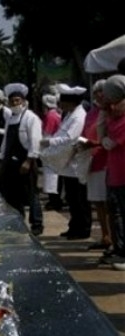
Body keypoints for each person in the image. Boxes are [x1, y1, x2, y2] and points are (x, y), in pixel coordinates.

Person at [40, 84, 92, 240]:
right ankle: (74, 226)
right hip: (67, 163)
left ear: (70, 102)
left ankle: (82, 228)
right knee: (71, 198)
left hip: (75, 162)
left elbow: (70, 138)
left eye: (62, 102)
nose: (60, 105)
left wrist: (50, 142)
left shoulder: (78, 116)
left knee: (79, 199)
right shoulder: (70, 115)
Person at [0, 83, 44, 236]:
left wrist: (29, 161)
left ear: (24, 101)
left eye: (18, 100)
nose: (15, 103)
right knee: (14, 194)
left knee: (31, 194)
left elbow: (35, 140)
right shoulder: (11, 118)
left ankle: (36, 223)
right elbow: (6, 142)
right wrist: (1, 159)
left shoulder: (31, 118)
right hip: (11, 163)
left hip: (26, 161)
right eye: (12, 101)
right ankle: (18, 221)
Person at [76, 80, 112, 251]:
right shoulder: (91, 112)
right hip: (92, 160)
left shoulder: (110, 111)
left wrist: (94, 143)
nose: (99, 94)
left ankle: (111, 237)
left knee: (108, 203)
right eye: (96, 91)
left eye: (102, 91)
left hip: (105, 161)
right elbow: (85, 132)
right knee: (97, 202)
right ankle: (105, 236)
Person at [99, 74, 125, 270]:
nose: (112, 108)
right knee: (116, 214)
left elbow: (109, 142)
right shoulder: (111, 118)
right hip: (115, 174)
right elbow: (103, 137)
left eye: (116, 103)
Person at [40, 93, 64, 211]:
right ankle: (56, 200)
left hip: (51, 149)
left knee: (51, 177)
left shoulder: (50, 115)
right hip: (56, 149)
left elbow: (47, 134)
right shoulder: (57, 114)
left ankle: (54, 201)